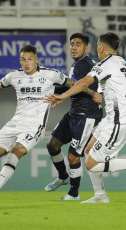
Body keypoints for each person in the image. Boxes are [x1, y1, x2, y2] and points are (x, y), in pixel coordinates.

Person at [44, 32, 126, 203]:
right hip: (111, 118)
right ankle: (100, 195)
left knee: (91, 164)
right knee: (88, 151)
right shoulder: (123, 63)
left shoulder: (105, 64)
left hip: (120, 120)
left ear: (101, 47)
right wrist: (99, 96)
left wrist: (63, 95)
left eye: (97, 47)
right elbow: (109, 89)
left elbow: (83, 82)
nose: (97, 50)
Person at [0, 44, 75, 201]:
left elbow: (74, 84)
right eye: (23, 59)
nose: (26, 63)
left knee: (14, 153)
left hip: (35, 126)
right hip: (15, 123)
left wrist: (67, 96)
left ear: (36, 59)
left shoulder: (52, 75)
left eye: (30, 59)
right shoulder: (14, 76)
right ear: (20, 61)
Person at [44, 33, 104, 201]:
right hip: (74, 113)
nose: (74, 47)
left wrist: (54, 92)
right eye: (72, 44)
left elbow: (78, 85)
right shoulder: (78, 64)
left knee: (73, 156)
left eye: (78, 44)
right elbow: (72, 85)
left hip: (87, 116)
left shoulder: (85, 64)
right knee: (52, 145)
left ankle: (73, 194)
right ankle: (63, 177)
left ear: (86, 48)